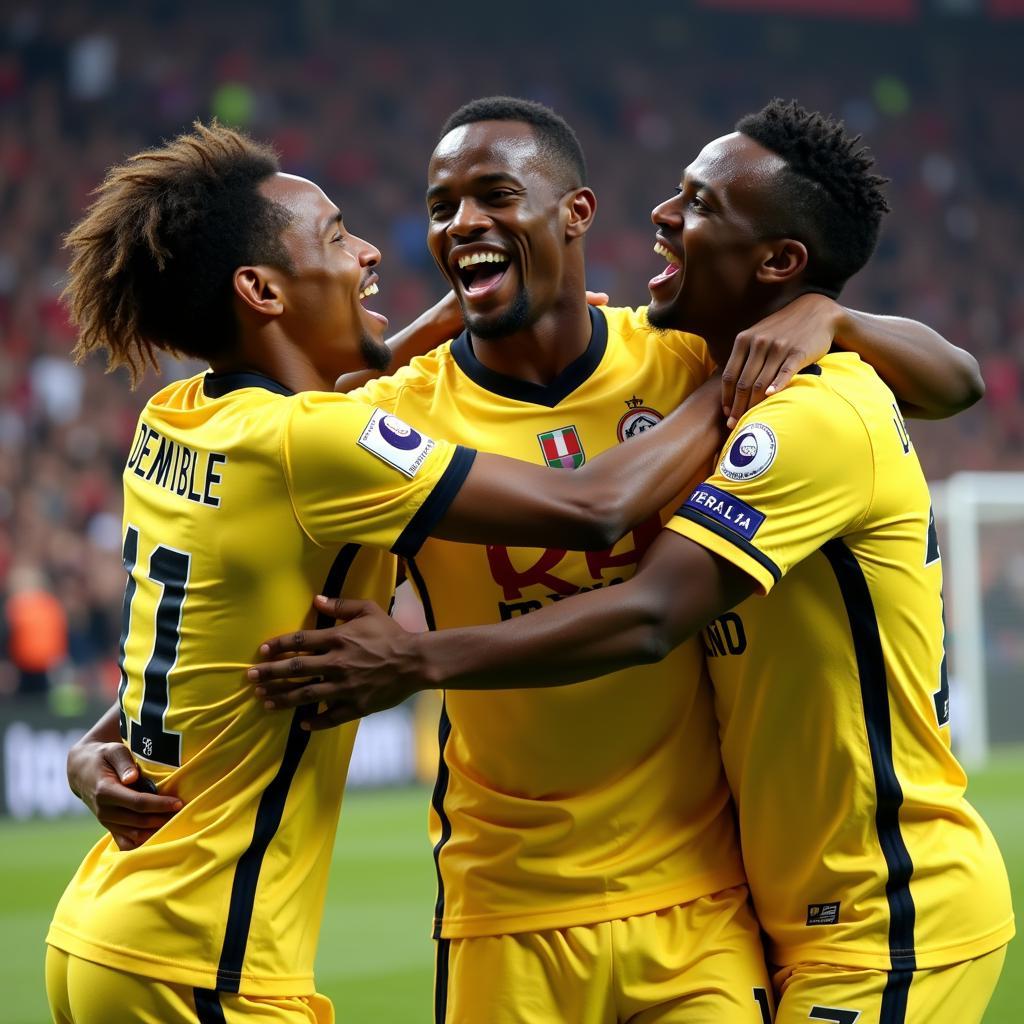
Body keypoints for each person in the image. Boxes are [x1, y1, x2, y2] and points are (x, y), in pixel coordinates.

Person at [251, 100, 1013, 1024]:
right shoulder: (396, 416)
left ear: (574, 213)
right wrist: (119, 733)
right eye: (441, 205)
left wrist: (829, 317)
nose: (462, 223)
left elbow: (954, 381)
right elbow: (255, 574)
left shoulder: (695, 360)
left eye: (494, 194)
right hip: (506, 897)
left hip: (707, 897)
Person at [45, 119, 781, 1024]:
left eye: (493, 199)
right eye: (336, 237)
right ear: (262, 289)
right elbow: (595, 508)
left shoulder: (178, 415)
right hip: (216, 955)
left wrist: (98, 738)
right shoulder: (329, 440)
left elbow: (209, 631)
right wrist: (741, 378)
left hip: (115, 927)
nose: (368, 253)